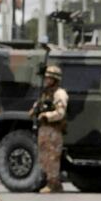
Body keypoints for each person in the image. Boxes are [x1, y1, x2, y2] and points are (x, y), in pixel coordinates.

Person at [29, 65, 68, 193]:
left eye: (49, 78)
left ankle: (53, 184)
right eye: (46, 78)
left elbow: (60, 112)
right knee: (44, 157)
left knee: (52, 158)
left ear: (55, 80)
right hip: (44, 130)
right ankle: (50, 182)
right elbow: (38, 106)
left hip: (53, 130)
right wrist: (34, 111)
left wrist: (47, 115)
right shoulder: (46, 93)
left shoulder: (59, 94)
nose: (46, 80)